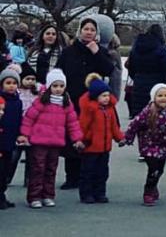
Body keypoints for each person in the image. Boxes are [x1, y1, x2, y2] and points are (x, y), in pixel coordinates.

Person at [56, 16, 114, 190]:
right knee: (72, 137)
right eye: (86, 29)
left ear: (96, 34)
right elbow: (59, 72)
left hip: (93, 103)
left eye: (92, 30)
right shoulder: (69, 51)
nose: (89, 32)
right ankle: (71, 176)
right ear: (80, 31)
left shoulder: (101, 51)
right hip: (72, 99)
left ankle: (86, 176)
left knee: (89, 136)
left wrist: (96, 52)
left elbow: (109, 70)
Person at [18, 69, 84, 208]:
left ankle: (48, 195)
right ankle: (34, 196)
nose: (58, 89)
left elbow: (73, 123)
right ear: (49, 86)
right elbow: (29, 118)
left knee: (51, 169)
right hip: (39, 141)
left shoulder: (66, 103)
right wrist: (24, 134)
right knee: (37, 169)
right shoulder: (41, 101)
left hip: (55, 142)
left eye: (61, 86)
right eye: (55, 86)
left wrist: (77, 139)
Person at [121, 83, 166, 206]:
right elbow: (134, 125)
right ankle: (148, 192)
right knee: (153, 169)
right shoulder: (147, 112)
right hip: (148, 145)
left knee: (160, 170)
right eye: (160, 95)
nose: (163, 98)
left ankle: (153, 186)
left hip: (164, 145)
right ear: (154, 97)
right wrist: (127, 138)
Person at [78, 74, 123, 203]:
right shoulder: (90, 110)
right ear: (95, 96)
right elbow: (83, 126)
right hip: (91, 146)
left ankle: (100, 192)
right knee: (88, 172)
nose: (107, 98)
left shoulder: (109, 110)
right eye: (103, 96)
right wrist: (80, 140)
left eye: (108, 95)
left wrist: (120, 138)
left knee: (102, 172)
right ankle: (86, 194)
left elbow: (114, 127)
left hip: (105, 147)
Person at [126, 24, 166, 119]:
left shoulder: (136, 49)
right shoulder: (160, 50)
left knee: (140, 120)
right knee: (158, 120)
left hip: (139, 86)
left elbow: (131, 68)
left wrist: (138, 78)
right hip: (157, 87)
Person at [0, 68, 22, 209]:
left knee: (6, 172)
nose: (11, 86)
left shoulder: (17, 102)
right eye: (8, 82)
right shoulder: (1, 101)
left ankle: (2, 195)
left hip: (10, 142)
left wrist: (20, 134)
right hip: (1, 141)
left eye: (14, 83)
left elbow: (19, 120)